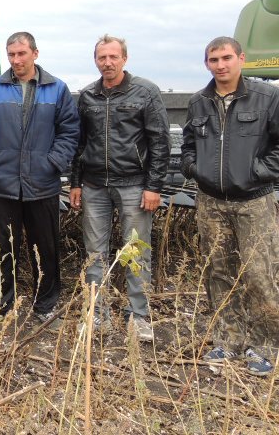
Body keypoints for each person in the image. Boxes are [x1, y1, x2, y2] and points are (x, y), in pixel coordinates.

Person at [181, 36, 279, 376]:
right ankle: (226, 340)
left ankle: (263, 346)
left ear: (241, 59)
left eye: (227, 58)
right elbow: (188, 144)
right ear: (206, 64)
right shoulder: (199, 102)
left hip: (254, 203)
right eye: (214, 59)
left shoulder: (267, 98)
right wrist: (194, 168)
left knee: (260, 274)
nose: (221, 65)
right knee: (218, 273)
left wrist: (258, 173)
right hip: (211, 202)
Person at [0, 32, 79, 331]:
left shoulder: (57, 90)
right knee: (0, 247)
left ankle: (46, 306)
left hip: (42, 184)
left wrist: (53, 162)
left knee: (45, 248)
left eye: (21, 54)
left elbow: (69, 132)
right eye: (11, 54)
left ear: (35, 53)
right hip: (2, 184)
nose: (16, 60)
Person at [69, 35, 170, 342]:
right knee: (94, 253)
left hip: (134, 185)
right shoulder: (87, 96)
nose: (107, 62)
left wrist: (154, 186)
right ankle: (97, 315)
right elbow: (79, 143)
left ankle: (138, 316)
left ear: (124, 59)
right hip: (95, 186)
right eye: (102, 57)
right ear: (95, 60)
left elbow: (160, 141)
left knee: (135, 251)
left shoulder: (145, 92)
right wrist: (75, 183)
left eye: (113, 57)